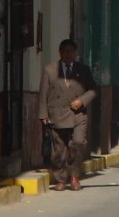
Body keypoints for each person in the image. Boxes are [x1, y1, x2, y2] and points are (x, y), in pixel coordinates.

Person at [38, 39, 97, 191]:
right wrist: (43, 114)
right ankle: (61, 179)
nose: (69, 54)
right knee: (59, 149)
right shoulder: (50, 70)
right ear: (60, 52)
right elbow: (43, 93)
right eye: (66, 51)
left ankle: (75, 177)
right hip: (56, 114)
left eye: (72, 51)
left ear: (76, 53)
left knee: (77, 143)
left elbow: (92, 90)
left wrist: (82, 101)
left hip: (78, 115)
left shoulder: (83, 70)